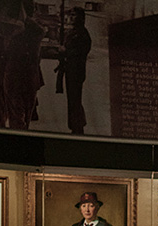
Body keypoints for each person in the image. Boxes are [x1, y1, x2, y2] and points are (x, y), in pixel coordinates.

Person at [56, 6, 91, 134]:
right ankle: (75, 125)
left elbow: (81, 52)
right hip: (70, 70)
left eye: (75, 15)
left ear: (82, 18)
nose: (72, 18)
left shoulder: (82, 34)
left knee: (75, 100)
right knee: (72, 100)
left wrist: (66, 51)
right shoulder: (72, 32)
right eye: (71, 15)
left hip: (76, 71)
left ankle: (78, 127)